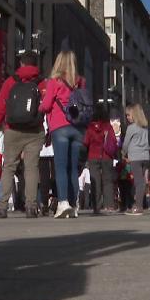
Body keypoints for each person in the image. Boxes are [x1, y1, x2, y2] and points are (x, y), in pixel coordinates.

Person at [0, 52, 45, 219]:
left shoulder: (10, 81)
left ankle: (2, 207)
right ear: (35, 65)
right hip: (35, 130)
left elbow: (0, 107)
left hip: (12, 130)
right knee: (31, 168)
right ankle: (31, 207)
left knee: (9, 167)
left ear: (21, 64)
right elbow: (46, 106)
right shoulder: (42, 82)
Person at [40, 50, 87, 219]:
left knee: (60, 167)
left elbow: (46, 106)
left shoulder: (54, 82)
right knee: (73, 168)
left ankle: (63, 202)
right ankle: (74, 205)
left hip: (60, 127)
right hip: (77, 128)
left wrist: (39, 109)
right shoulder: (81, 82)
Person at [83, 109, 117, 215]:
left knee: (95, 182)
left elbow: (86, 142)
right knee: (108, 181)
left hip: (93, 156)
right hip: (106, 156)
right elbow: (114, 141)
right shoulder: (108, 127)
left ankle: (96, 207)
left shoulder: (90, 127)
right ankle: (109, 205)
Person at [123, 103, 150, 216]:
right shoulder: (145, 127)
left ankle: (138, 206)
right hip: (145, 156)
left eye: (128, 115)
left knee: (139, 182)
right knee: (141, 181)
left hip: (135, 157)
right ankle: (137, 204)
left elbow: (126, 144)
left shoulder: (131, 128)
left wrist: (124, 153)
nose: (127, 117)